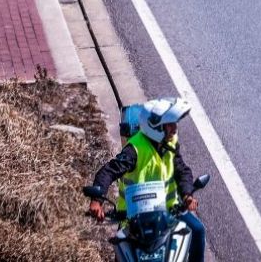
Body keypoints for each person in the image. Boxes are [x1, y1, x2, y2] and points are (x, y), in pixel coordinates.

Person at [87, 97, 206, 262]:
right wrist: (96, 200)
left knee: (198, 230)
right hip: (133, 220)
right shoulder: (134, 150)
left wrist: (187, 194)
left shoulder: (170, 143)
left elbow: (182, 170)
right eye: (169, 124)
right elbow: (108, 171)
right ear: (155, 126)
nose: (174, 129)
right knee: (122, 254)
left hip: (169, 214)